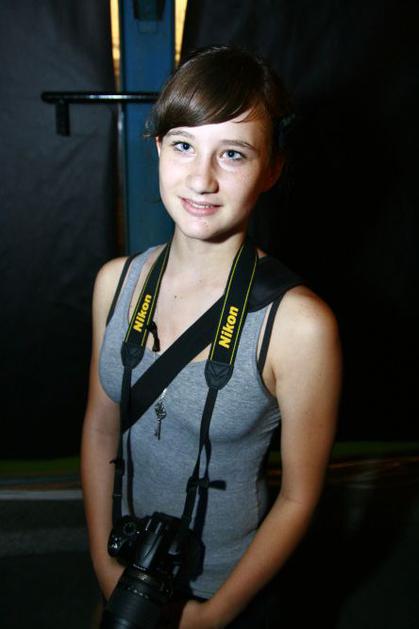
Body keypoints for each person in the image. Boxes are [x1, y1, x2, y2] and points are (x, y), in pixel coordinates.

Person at [81, 46, 341, 629]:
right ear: (157, 149)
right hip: (127, 572)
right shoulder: (115, 283)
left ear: (271, 169)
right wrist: (102, 562)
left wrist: (214, 615)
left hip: (227, 591)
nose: (201, 179)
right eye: (183, 146)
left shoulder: (299, 325)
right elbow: (100, 428)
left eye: (233, 153)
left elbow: (300, 496)